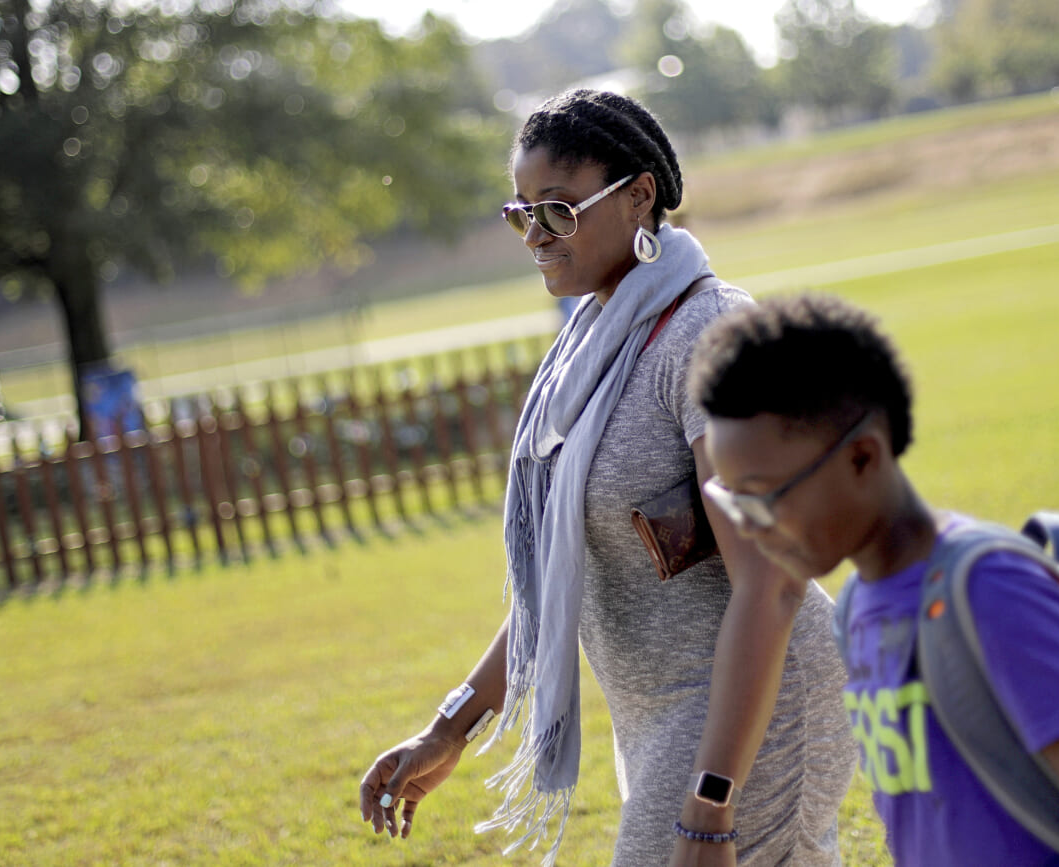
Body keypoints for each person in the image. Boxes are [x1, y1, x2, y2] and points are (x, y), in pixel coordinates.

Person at [357, 90, 855, 867]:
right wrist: (449, 726)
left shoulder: (710, 333)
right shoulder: (591, 347)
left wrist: (711, 798)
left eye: (557, 210)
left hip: (755, 712)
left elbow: (774, 583)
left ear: (639, 196)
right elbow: (558, 575)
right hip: (665, 719)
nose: (536, 237)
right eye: (521, 214)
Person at [687, 293, 1059, 867]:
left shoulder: (988, 590)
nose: (750, 531)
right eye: (732, 503)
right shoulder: (858, 606)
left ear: (862, 458)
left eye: (764, 500)